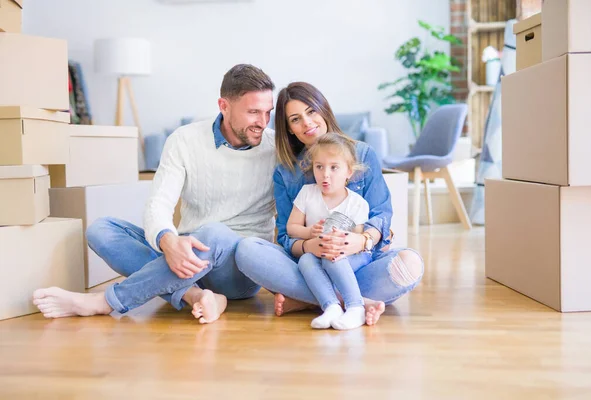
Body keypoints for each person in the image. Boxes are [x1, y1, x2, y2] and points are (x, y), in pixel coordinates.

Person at [32, 64, 277, 324]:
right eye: (253, 112)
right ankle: (194, 295)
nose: (262, 122)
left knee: (213, 233)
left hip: (237, 272)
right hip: (185, 258)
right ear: (224, 105)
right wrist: (168, 240)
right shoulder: (185, 140)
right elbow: (158, 203)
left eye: (267, 112)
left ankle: (105, 301)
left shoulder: (276, 148)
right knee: (101, 229)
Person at [235, 82, 425, 326]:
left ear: (323, 109)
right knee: (247, 250)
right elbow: (285, 236)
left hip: (356, 262)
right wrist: (310, 245)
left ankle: (312, 301)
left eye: (311, 111)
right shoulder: (286, 172)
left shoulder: (362, 154)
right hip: (308, 265)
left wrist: (361, 240)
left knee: (410, 263)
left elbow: (381, 214)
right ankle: (355, 301)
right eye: (295, 119)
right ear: (289, 129)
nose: (307, 123)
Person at [290, 133, 373, 330]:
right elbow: (291, 228)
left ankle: (355, 307)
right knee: (306, 259)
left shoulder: (357, 203)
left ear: (348, 172)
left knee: (331, 256)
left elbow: (358, 239)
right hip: (317, 252)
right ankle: (332, 307)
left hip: (350, 256)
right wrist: (310, 232)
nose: (325, 174)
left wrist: (340, 246)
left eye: (334, 167)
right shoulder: (307, 193)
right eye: (319, 167)